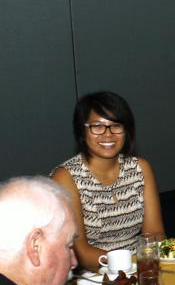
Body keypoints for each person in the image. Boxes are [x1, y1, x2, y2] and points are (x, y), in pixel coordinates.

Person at [52, 91, 164, 271]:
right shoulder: (66, 177)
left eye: (116, 126)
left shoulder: (140, 168)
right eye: (97, 126)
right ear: (82, 130)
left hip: (141, 266)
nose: (108, 134)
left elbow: (155, 233)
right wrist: (130, 267)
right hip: (95, 275)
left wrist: (146, 264)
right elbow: (81, 252)